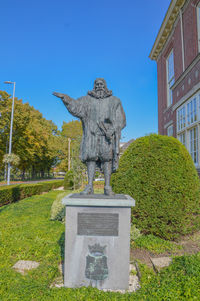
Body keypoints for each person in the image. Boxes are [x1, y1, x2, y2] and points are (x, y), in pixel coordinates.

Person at [53, 78, 126, 196]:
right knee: (90, 159)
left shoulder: (114, 101)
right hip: (91, 136)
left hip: (106, 137)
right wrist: (65, 98)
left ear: (105, 86)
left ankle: (107, 186)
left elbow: (121, 120)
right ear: (94, 87)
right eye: (96, 84)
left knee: (107, 159)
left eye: (101, 84)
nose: (99, 86)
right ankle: (90, 186)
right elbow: (76, 108)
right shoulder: (86, 100)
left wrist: (111, 130)